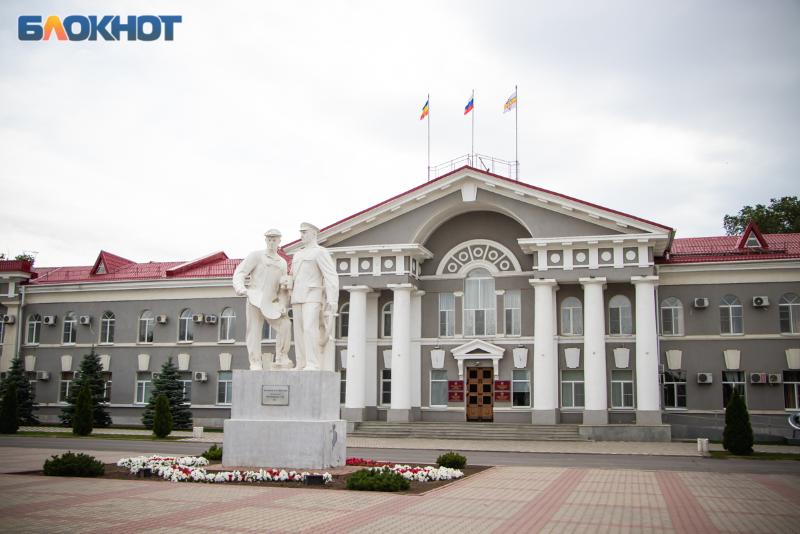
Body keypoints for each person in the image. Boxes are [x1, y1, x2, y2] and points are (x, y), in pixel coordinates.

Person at [232, 229, 293, 370]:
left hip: (272, 302)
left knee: (285, 325)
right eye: (269, 239)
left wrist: (283, 303)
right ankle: (255, 362)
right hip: (255, 298)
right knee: (254, 331)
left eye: (274, 240)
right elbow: (240, 272)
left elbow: (282, 287)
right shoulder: (256, 256)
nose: (271, 242)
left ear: (279, 241)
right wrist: (240, 288)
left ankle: (281, 357)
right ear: (265, 240)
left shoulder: (282, 263)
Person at [289, 222, 339, 370]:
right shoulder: (298, 254)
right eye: (301, 232)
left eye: (304, 232)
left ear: (314, 234)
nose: (301, 235)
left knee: (309, 328)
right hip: (297, 296)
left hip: (312, 294)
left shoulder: (320, 252)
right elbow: (293, 276)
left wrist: (332, 299)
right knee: (298, 331)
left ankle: (313, 363)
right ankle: (301, 362)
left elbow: (331, 276)